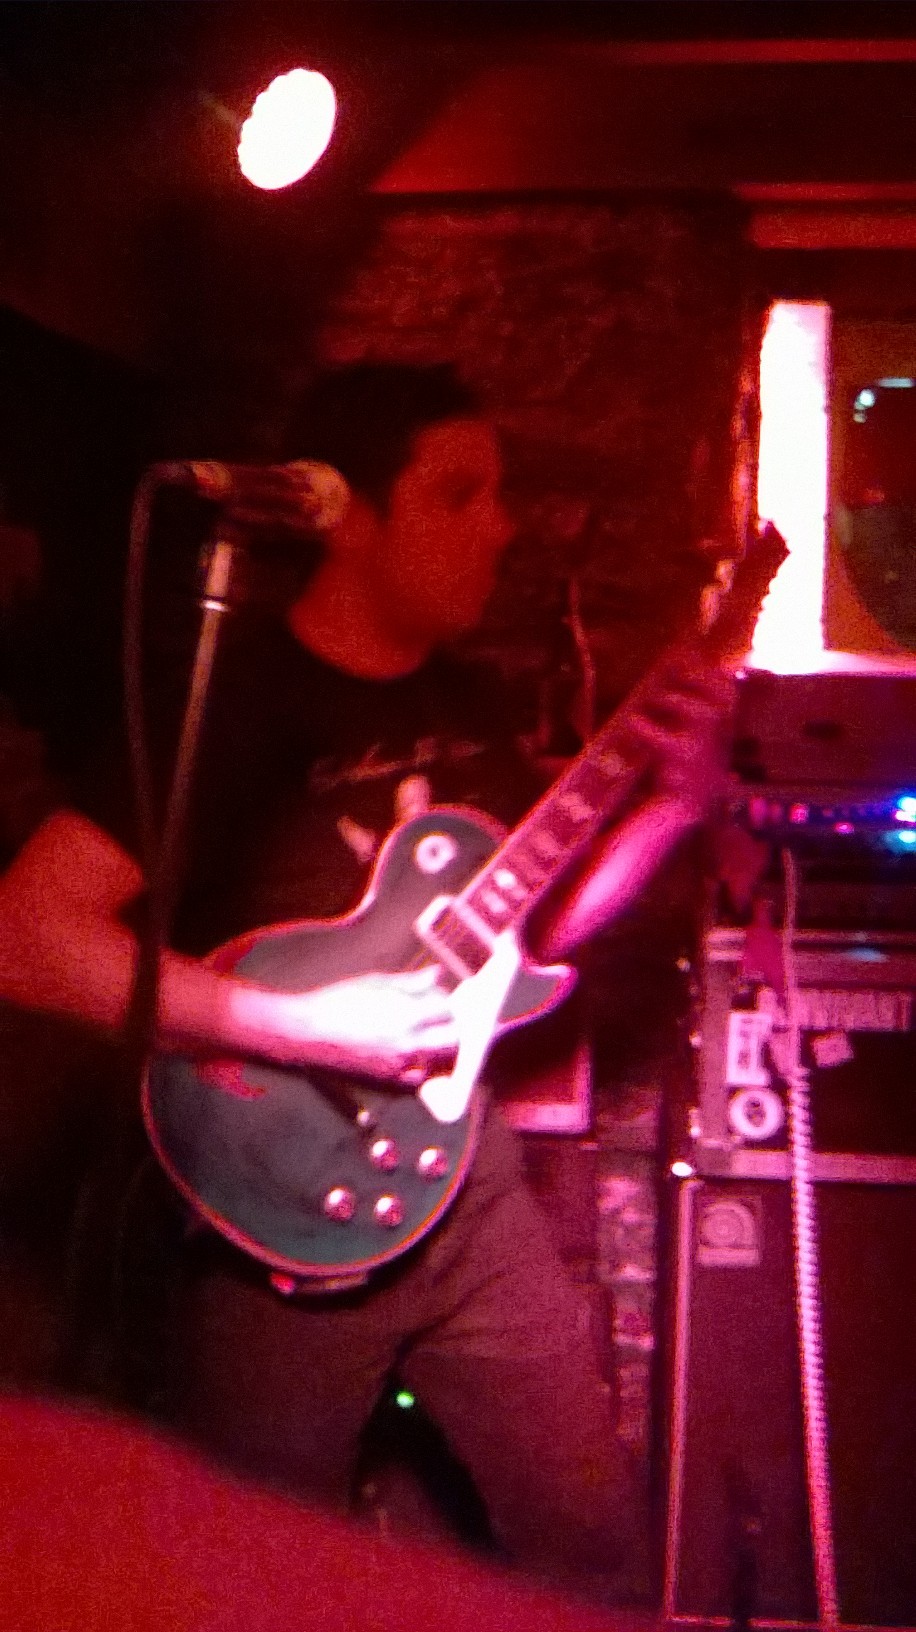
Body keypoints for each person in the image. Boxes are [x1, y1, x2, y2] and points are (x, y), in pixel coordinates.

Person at [0, 362, 733, 1599]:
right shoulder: (228, 700)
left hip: (468, 1198)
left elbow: (532, 937)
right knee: (263, 1585)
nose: (501, 527)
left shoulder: (468, 702)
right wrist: (301, 1026)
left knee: (594, 1544)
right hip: (279, 1214)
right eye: (460, 493)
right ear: (349, 516)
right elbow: (28, 933)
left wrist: (671, 809)